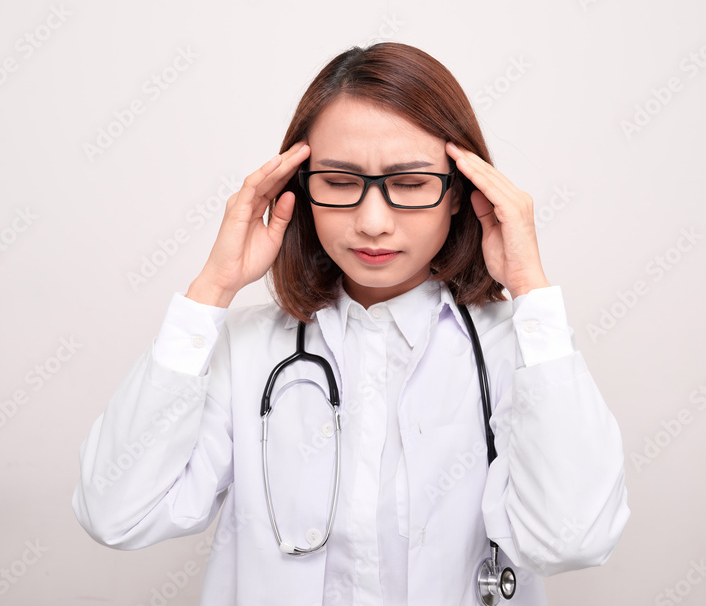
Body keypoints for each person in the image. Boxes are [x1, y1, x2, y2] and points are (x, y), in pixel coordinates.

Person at [72, 42, 629, 605]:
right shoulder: (245, 350)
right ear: (299, 190)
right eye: (338, 183)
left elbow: (573, 539)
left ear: (462, 192)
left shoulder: (522, 349)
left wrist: (531, 289)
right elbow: (117, 513)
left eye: (410, 184)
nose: (372, 222)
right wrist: (210, 292)